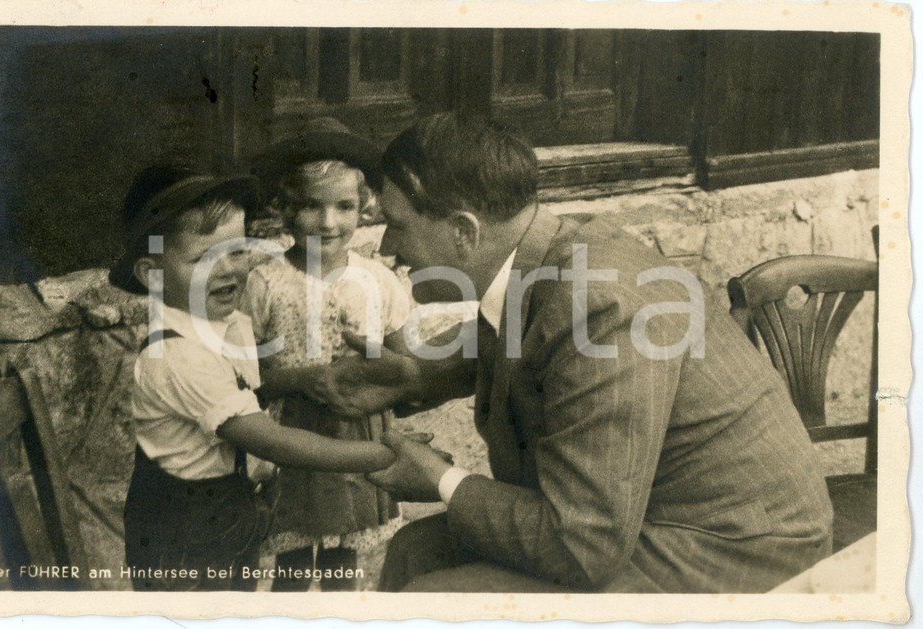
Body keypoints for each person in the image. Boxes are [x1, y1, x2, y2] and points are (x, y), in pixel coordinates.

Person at [313, 113, 834, 593]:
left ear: (464, 232)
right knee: (415, 551)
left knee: (435, 595)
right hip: (651, 521)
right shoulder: (550, 251)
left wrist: (440, 479)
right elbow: (525, 327)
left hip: (734, 550)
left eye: (398, 226)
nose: (385, 249)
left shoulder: (600, 304)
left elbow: (583, 545)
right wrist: (415, 375)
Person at [108, 165, 397, 592]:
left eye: (237, 252)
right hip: (182, 529)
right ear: (152, 274)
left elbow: (251, 390)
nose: (226, 271)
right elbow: (269, 439)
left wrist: (305, 378)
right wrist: (380, 456)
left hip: (225, 508)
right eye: (203, 259)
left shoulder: (228, 323)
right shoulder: (178, 355)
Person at [243, 120, 412, 591]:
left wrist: (371, 363)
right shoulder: (265, 283)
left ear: (365, 207)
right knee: (293, 564)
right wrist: (298, 380)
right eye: (311, 207)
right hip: (289, 435)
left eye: (344, 206)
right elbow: (244, 377)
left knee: (344, 558)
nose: (329, 222)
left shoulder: (378, 280)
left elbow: (404, 367)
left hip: (359, 428)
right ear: (285, 209)